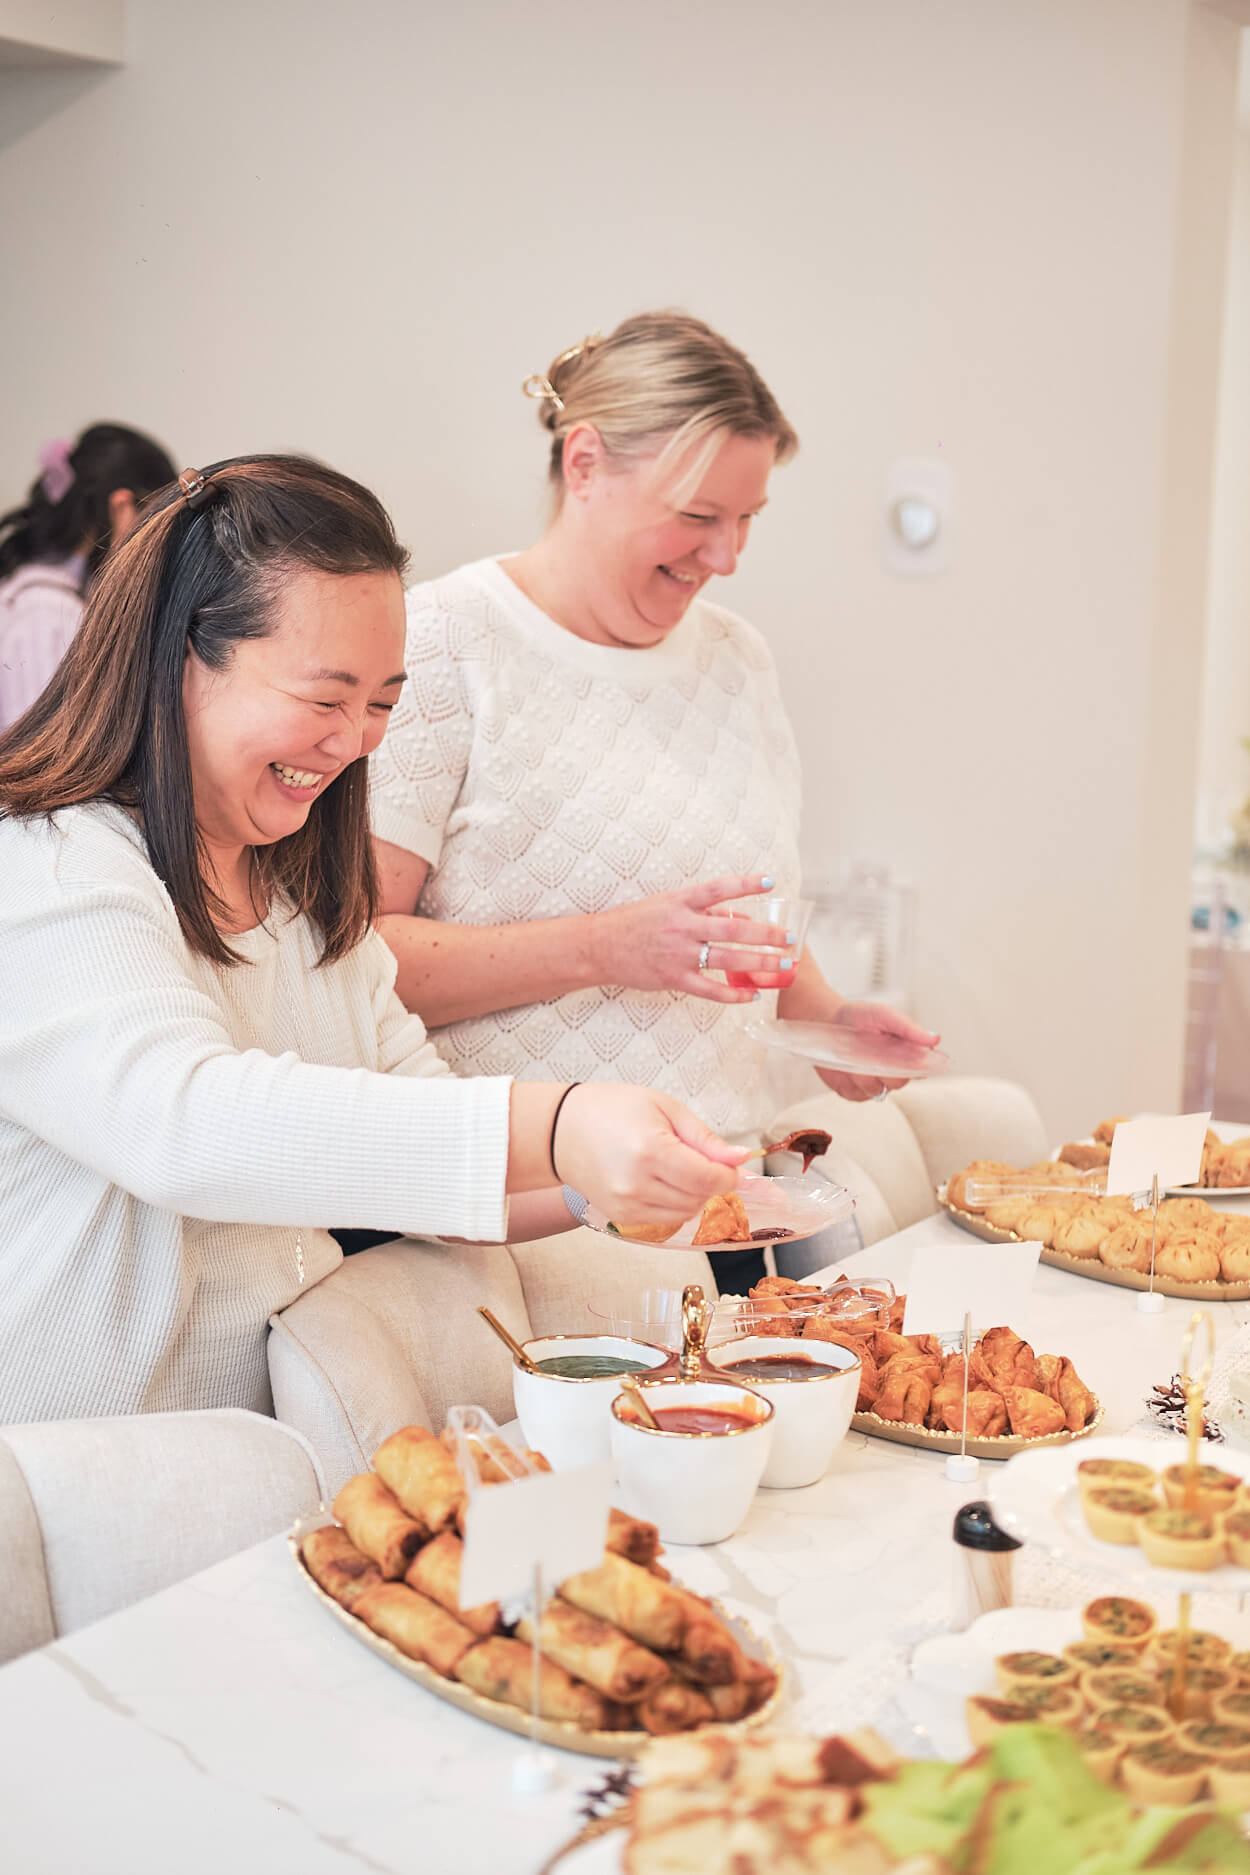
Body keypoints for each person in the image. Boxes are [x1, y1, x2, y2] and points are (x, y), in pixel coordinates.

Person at [0, 454, 747, 1426]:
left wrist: (607, 1185)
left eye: (382, 703)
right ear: (180, 658)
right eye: (325, 698)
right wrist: (559, 1122)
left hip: (270, 1448)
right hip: (70, 1463)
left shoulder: (300, 901)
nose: (356, 740)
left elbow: (432, 1161)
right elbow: (187, 1126)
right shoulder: (51, 862)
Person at [369, 312, 936, 1285]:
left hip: (728, 1212)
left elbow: (742, 921)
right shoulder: (441, 643)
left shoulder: (736, 661)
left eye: (747, 518)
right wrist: (603, 947)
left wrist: (827, 1020)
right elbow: (358, 958)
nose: (726, 555)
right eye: (698, 515)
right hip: (520, 1234)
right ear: (584, 462)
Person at [0, 422, 177, 731]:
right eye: (155, 523)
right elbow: (43, 749)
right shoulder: (48, 613)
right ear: (123, 507)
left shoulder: (40, 599)